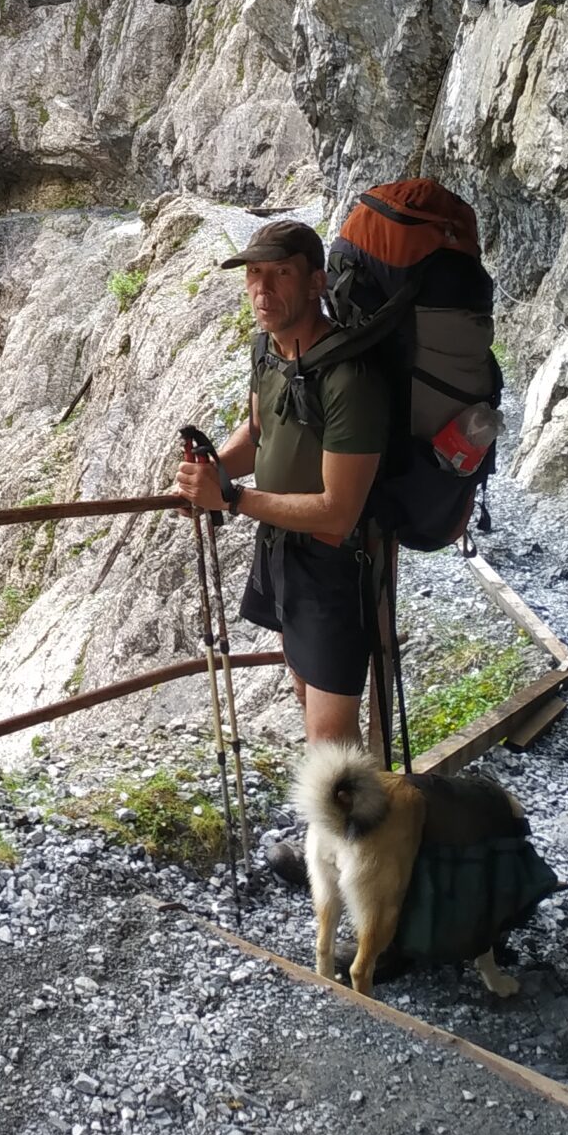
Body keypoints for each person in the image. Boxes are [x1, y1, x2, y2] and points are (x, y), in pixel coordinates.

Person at [175, 216, 392, 749]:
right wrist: (214, 470)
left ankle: (356, 829)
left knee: (329, 737)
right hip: (279, 549)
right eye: (253, 274)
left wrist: (230, 496)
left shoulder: (349, 377)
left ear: (316, 282)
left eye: (280, 273)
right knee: (304, 695)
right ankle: (355, 824)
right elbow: (257, 431)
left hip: (336, 565)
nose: (261, 289)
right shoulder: (267, 352)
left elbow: (340, 510)